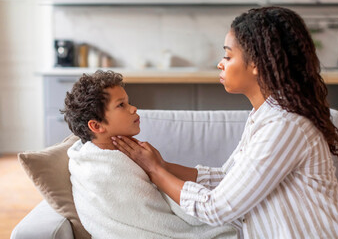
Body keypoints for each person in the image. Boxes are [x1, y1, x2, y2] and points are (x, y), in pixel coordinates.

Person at [111, 7, 338, 238]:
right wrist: (162, 164)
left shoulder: (286, 125)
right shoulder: (264, 116)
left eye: (228, 55)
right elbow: (227, 178)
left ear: (257, 65)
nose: (220, 63)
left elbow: (218, 208)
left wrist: (156, 172)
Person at [61, 70, 237, 239]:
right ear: (97, 126)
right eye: (121, 105)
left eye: (128, 102)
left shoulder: (128, 154)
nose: (133, 108)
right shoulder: (100, 169)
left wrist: (159, 166)